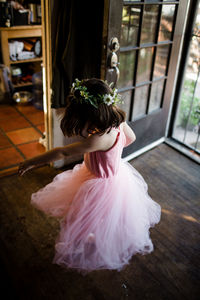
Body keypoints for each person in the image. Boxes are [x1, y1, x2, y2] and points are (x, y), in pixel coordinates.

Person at [18, 78, 161, 273]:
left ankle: (81, 244)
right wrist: (113, 153)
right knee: (101, 216)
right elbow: (131, 138)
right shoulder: (118, 121)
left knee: (81, 218)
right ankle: (94, 235)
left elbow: (62, 152)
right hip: (114, 176)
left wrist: (30, 162)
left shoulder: (98, 140)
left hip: (99, 184)